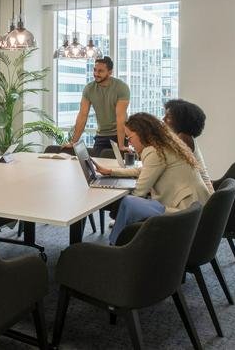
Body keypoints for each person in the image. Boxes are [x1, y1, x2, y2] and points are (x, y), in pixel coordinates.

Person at [96, 112, 211, 245]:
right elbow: (143, 170)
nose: (130, 143)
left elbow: (139, 192)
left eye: (130, 137)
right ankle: (120, 242)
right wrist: (111, 172)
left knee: (129, 202)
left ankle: (115, 245)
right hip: (196, 207)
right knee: (130, 204)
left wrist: (117, 199)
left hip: (183, 212)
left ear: (141, 133)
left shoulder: (154, 151)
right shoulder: (164, 145)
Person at [64, 56, 130, 154]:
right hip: (101, 134)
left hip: (119, 134)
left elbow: (120, 117)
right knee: (96, 163)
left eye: (100, 71)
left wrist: (121, 145)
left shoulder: (121, 88)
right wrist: (74, 142)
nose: (96, 74)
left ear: (110, 72)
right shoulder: (89, 89)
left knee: (117, 165)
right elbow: (82, 115)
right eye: (95, 70)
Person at [164, 98, 214, 192]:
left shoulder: (183, 138)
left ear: (180, 121)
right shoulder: (186, 137)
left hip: (201, 198)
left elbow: (163, 164)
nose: (163, 119)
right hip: (199, 192)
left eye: (168, 117)